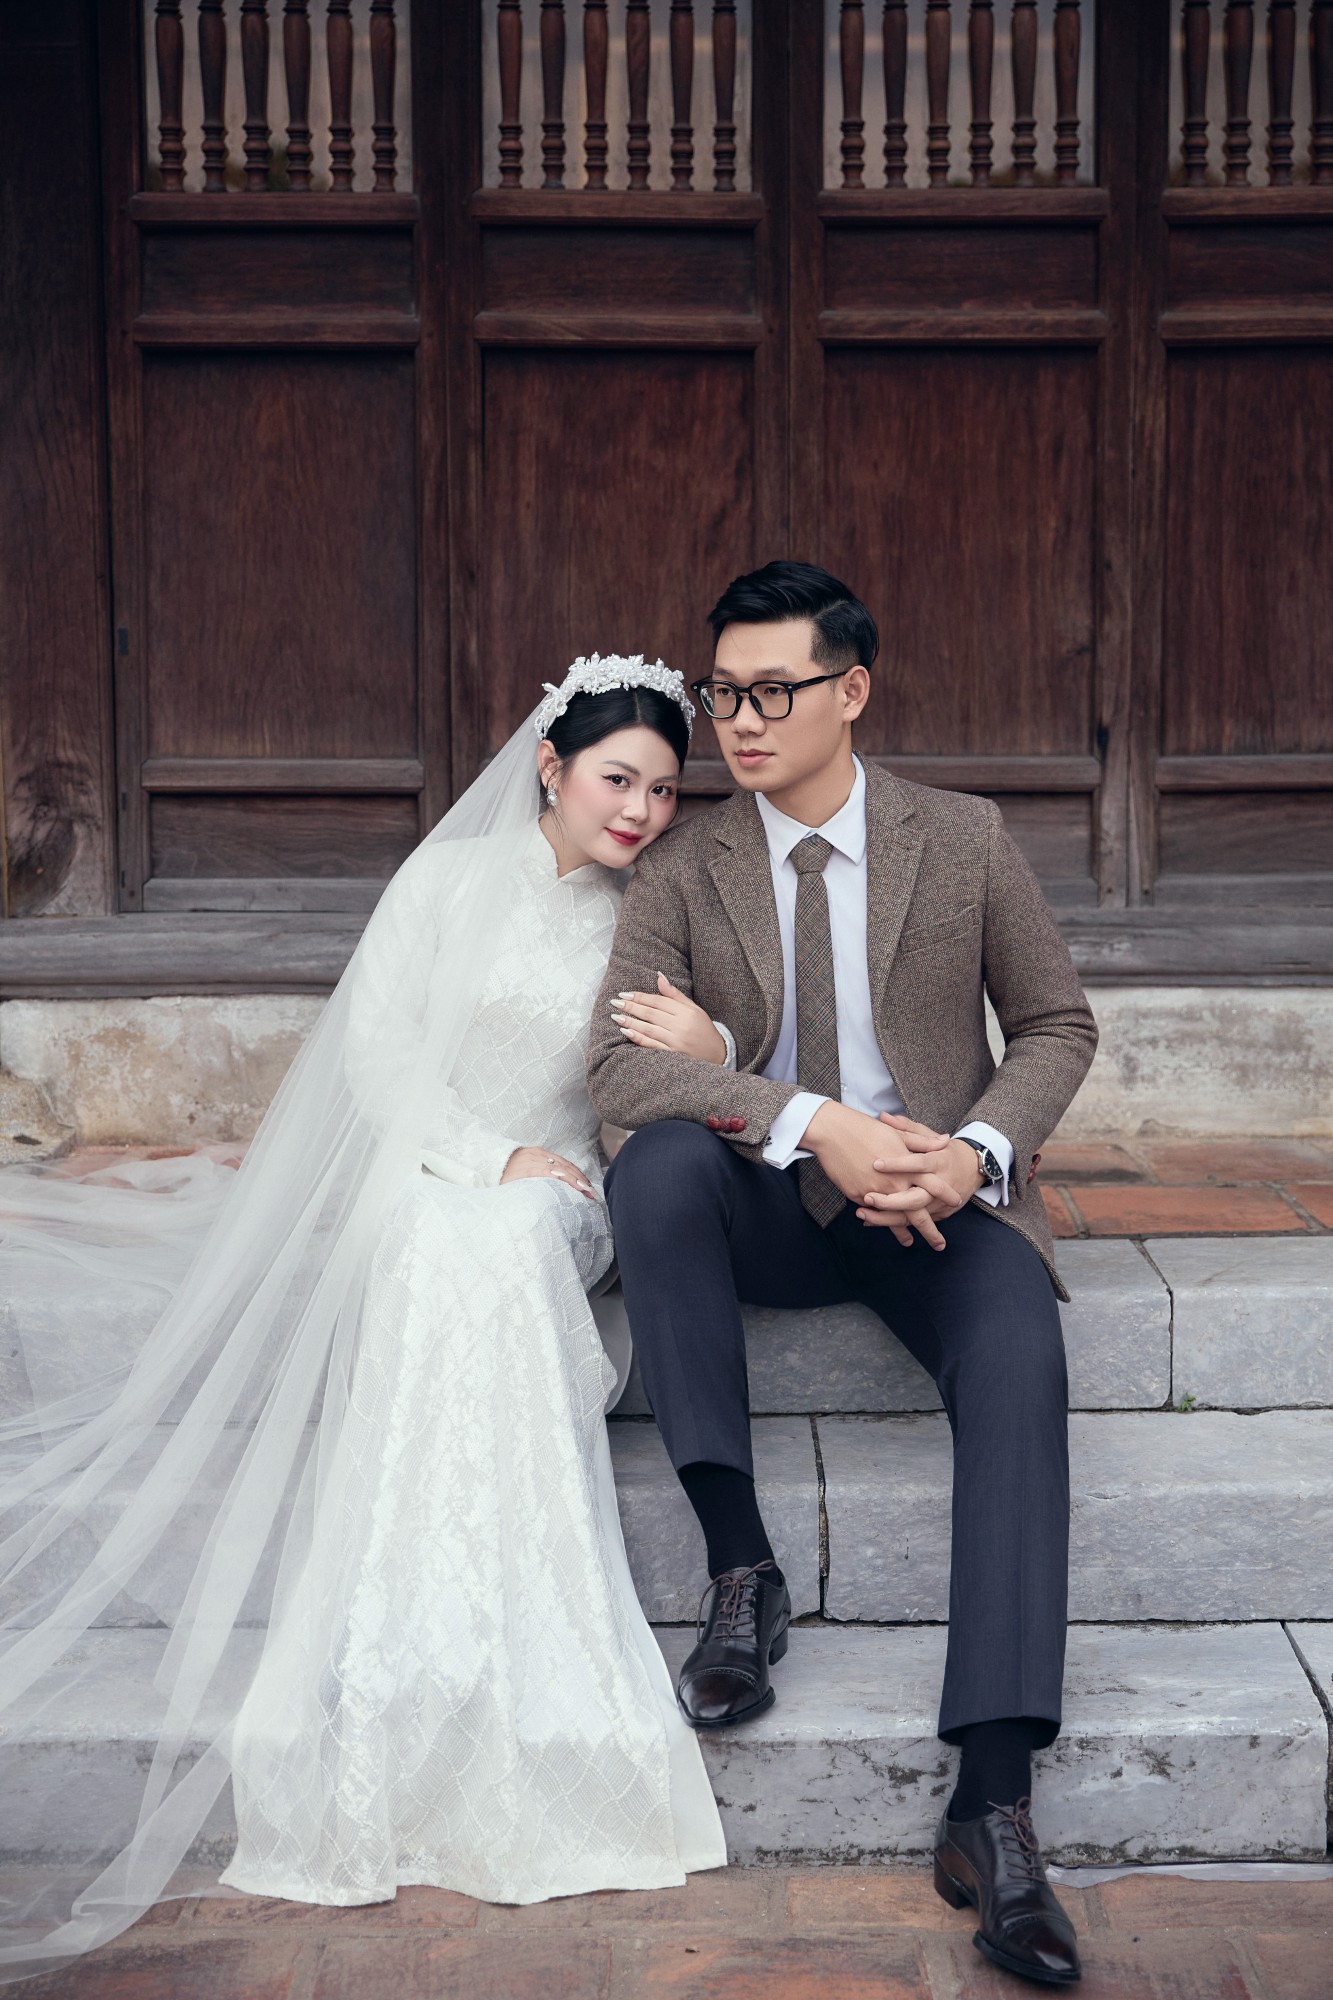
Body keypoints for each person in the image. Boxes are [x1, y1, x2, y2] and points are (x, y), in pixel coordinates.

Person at [0, 657, 726, 1983]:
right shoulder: (445, 884)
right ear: (551, 766)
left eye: (665, 791)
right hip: (427, 1166)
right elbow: (378, 1054)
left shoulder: (650, 912)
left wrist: (711, 1049)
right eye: (618, 779)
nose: (640, 811)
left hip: (563, 1191)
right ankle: (410, 1659)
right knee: (447, 1241)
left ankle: (520, 1652)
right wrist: (474, 1155)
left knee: (508, 1241)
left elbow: (687, 1067)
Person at [588, 564, 1098, 1989]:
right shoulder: (684, 866)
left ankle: (992, 1798)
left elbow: (1055, 1024)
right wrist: (807, 1117)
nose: (739, 723)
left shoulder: (962, 837)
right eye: (723, 695)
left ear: (851, 690)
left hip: (929, 1206)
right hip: (765, 1198)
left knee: (1018, 1351)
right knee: (656, 1167)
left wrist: (974, 1156)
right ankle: (741, 1568)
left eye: (773, 692)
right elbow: (619, 1069)